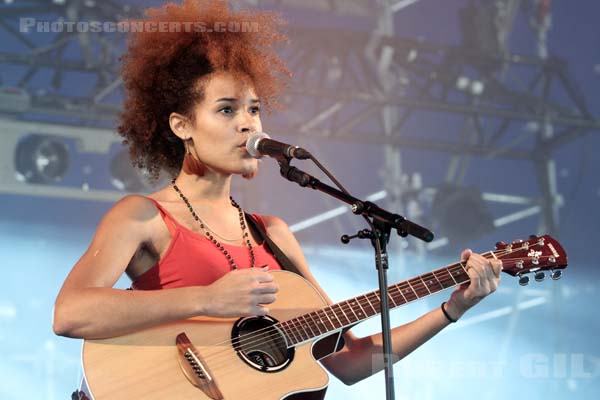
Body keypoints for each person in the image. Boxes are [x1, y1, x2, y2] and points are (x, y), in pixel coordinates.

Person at [53, 0, 502, 395]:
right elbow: (71, 314)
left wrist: (453, 307)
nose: (249, 124)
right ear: (181, 126)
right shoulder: (143, 216)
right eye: (227, 110)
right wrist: (205, 301)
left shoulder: (273, 235)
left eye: (254, 109)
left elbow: (349, 361)